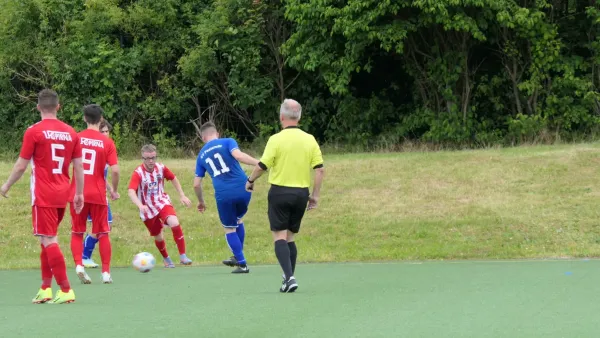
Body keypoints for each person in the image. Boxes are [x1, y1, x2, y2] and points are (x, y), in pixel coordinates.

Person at [0, 89, 84, 304]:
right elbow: (79, 167)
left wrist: (6, 186)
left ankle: (65, 290)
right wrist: (79, 193)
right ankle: (45, 288)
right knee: (45, 239)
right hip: (62, 193)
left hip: (43, 194)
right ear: (58, 107)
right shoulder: (71, 132)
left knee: (49, 239)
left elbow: (21, 165)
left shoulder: (34, 132)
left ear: (38, 107)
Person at [245, 99, 324, 293]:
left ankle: (289, 277)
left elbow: (263, 165)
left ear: (281, 117)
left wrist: (250, 181)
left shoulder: (276, 139)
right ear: (299, 117)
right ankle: (287, 279)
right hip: (301, 194)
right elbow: (320, 170)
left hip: (280, 192)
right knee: (290, 238)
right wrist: (314, 196)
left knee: (279, 236)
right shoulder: (310, 139)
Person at [193, 122, 260, 273]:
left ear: (203, 137)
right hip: (244, 188)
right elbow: (239, 156)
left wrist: (201, 202)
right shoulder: (228, 141)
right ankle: (237, 256)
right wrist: (260, 163)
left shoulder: (201, 155)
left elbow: (196, 184)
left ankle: (242, 264)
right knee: (238, 219)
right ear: (217, 133)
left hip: (224, 194)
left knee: (229, 228)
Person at [69, 105, 119, 284]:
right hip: (98, 194)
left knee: (77, 231)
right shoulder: (107, 142)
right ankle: (106, 272)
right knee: (103, 232)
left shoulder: (76, 137)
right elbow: (115, 170)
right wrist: (113, 189)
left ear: (84, 118)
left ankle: (79, 266)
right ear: (101, 119)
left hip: (77, 193)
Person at [127, 144, 193, 267]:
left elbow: (173, 178)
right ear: (143, 158)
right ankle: (166, 259)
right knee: (158, 236)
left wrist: (182, 195)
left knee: (174, 222)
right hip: (147, 209)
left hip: (162, 202)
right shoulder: (138, 173)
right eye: (147, 158)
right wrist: (140, 205)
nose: (151, 161)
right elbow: (131, 191)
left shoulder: (161, 168)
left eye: (153, 157)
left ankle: (183, 256)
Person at [82, 119, 115, 269]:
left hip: (100, 193)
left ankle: (85, 256)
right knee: (102, 226)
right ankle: (84, 256)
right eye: (102, 131)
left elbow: (101, 176)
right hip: (94, 195)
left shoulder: (107, 147)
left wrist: (111, 190)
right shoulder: (100, 149)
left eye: (107, 131)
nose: (105, 134)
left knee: (105, 225)